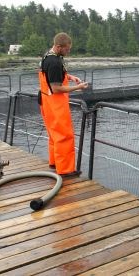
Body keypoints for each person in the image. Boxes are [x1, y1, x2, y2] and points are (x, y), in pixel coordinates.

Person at [38, 32, 88, 177]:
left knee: (54, 134)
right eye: (67, 49)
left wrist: (70, 77)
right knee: (64, 135)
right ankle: (65, 170)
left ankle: (54, 162)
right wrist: (78, 87)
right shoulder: (54, 62)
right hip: (55, 104)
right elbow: (56, 88)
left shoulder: (47, 56)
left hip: (45, 100)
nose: (68, 51)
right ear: (59, 47)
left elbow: (51, 76)